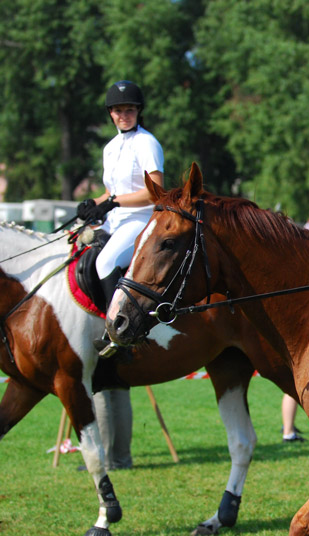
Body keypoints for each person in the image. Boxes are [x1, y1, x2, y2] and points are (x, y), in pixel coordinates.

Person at [76, 80, 165, 470]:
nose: (122, 114)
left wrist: (110, 201)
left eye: (129, 109)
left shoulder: (147, 142)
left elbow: (155, 191)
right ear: (111, 113)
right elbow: (111, 191)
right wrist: (92, 203)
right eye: (117, 109)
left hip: (143, 222)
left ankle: (118, 331)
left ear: (137, 111)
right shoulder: (111, 147)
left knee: (104, 263)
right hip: (116, 220)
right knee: (82, 254)